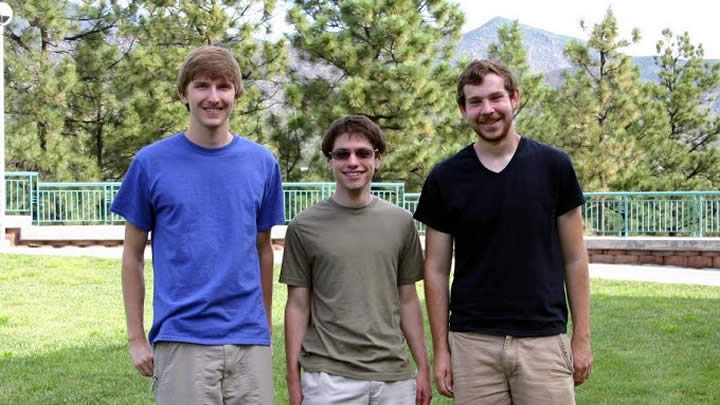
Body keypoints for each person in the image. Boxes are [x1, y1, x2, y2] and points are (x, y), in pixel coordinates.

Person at [110, 45, 285, 405]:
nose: (213, 97)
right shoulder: (150, 163)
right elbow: (131, 256)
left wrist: (265, 328)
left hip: (248, 342)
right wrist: (135, 337)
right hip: (182, 338)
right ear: (183, 93)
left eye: (223, 87)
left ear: (237, 94)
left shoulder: (262, 164)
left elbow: (263, 249)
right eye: (202, 86)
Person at [414, 60, 593, 404]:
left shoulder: (554, 167)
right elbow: (435, 270)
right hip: (472, 344)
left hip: (543, 340)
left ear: (515, 98)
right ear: (463, 109)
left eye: (496, 98)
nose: (487, 110)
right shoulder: (444, 178)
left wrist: (581, 338)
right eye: (476, 102)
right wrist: (442, 350)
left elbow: (574, 258)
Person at [280, 115, 432, 405]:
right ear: (329, 161)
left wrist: (422, 367)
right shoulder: (304, 226)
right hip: (329, 379)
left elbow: (408, 299)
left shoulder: (401, 223)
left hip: (393, 377)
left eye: (363, 153)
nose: (353, 162)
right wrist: (292, 376)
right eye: (342, 154)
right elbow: (297, 306)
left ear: (378, 159)